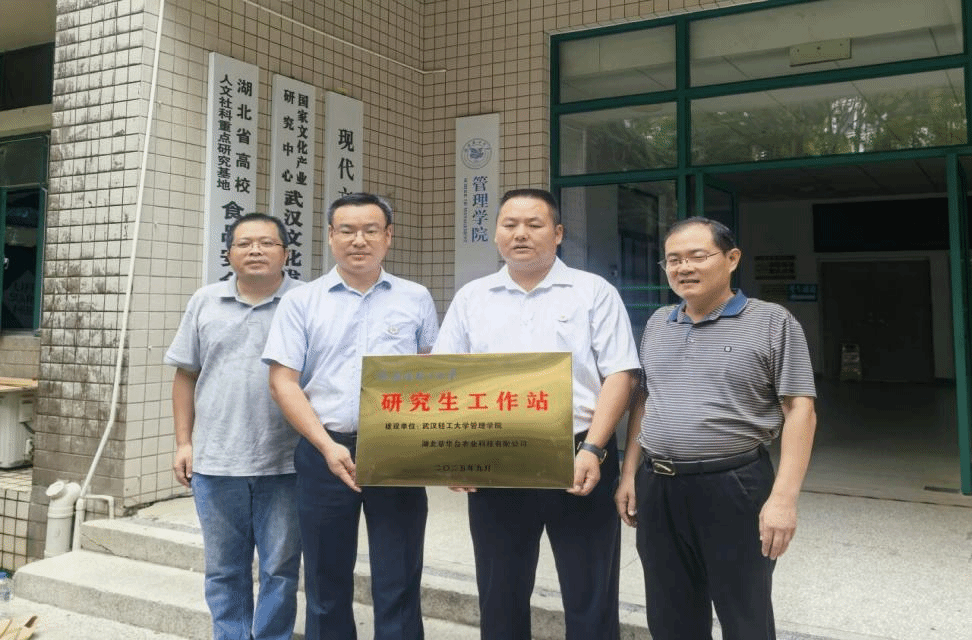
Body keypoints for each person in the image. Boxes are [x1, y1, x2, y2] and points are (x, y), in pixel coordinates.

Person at [433, 188, 639, 640]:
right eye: (509, 225)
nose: (520, 234)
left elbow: (621, 374)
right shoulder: (472, 297)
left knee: (590, 591)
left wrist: (593, 448)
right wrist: (453, 455)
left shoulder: (593, 292)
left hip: (580, 454)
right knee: (499, 590)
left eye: (534, 224)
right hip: (493, 458)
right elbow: (448, 376)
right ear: (496, 234)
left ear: (558, 233)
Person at [615, 217, 817, 640]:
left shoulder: (772, 321)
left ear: (732, 259)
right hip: (659, 485)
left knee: (744, 615)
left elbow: (800, 409)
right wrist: (629, 472)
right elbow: (645, 401)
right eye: (673, 260)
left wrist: (783, 499)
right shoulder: (658, 323)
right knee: (670, 616)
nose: (684, 267)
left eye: (697, 256)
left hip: (734, 486)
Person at [263, 192, 438, 640]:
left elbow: (433, 374)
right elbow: (283, 381)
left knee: (399, 576)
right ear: (330, 236)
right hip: (324, 450)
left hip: (398, 452)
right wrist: (326, 445)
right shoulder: (302, 302)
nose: (358, 240)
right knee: (326, 578)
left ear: (388, 236)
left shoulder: (416, 298)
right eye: (347, 230)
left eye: (370, 230)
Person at [164, 212, 303, 640]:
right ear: (228, 254)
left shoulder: (305, 301)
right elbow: (186, 375)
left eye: (267, 243)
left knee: (281, 569)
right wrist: (184, 442)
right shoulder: (205, 301)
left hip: (288, 461)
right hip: (216, 460)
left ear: (286, 253)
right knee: (224, 569)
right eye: (244, 243)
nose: (255, 250)